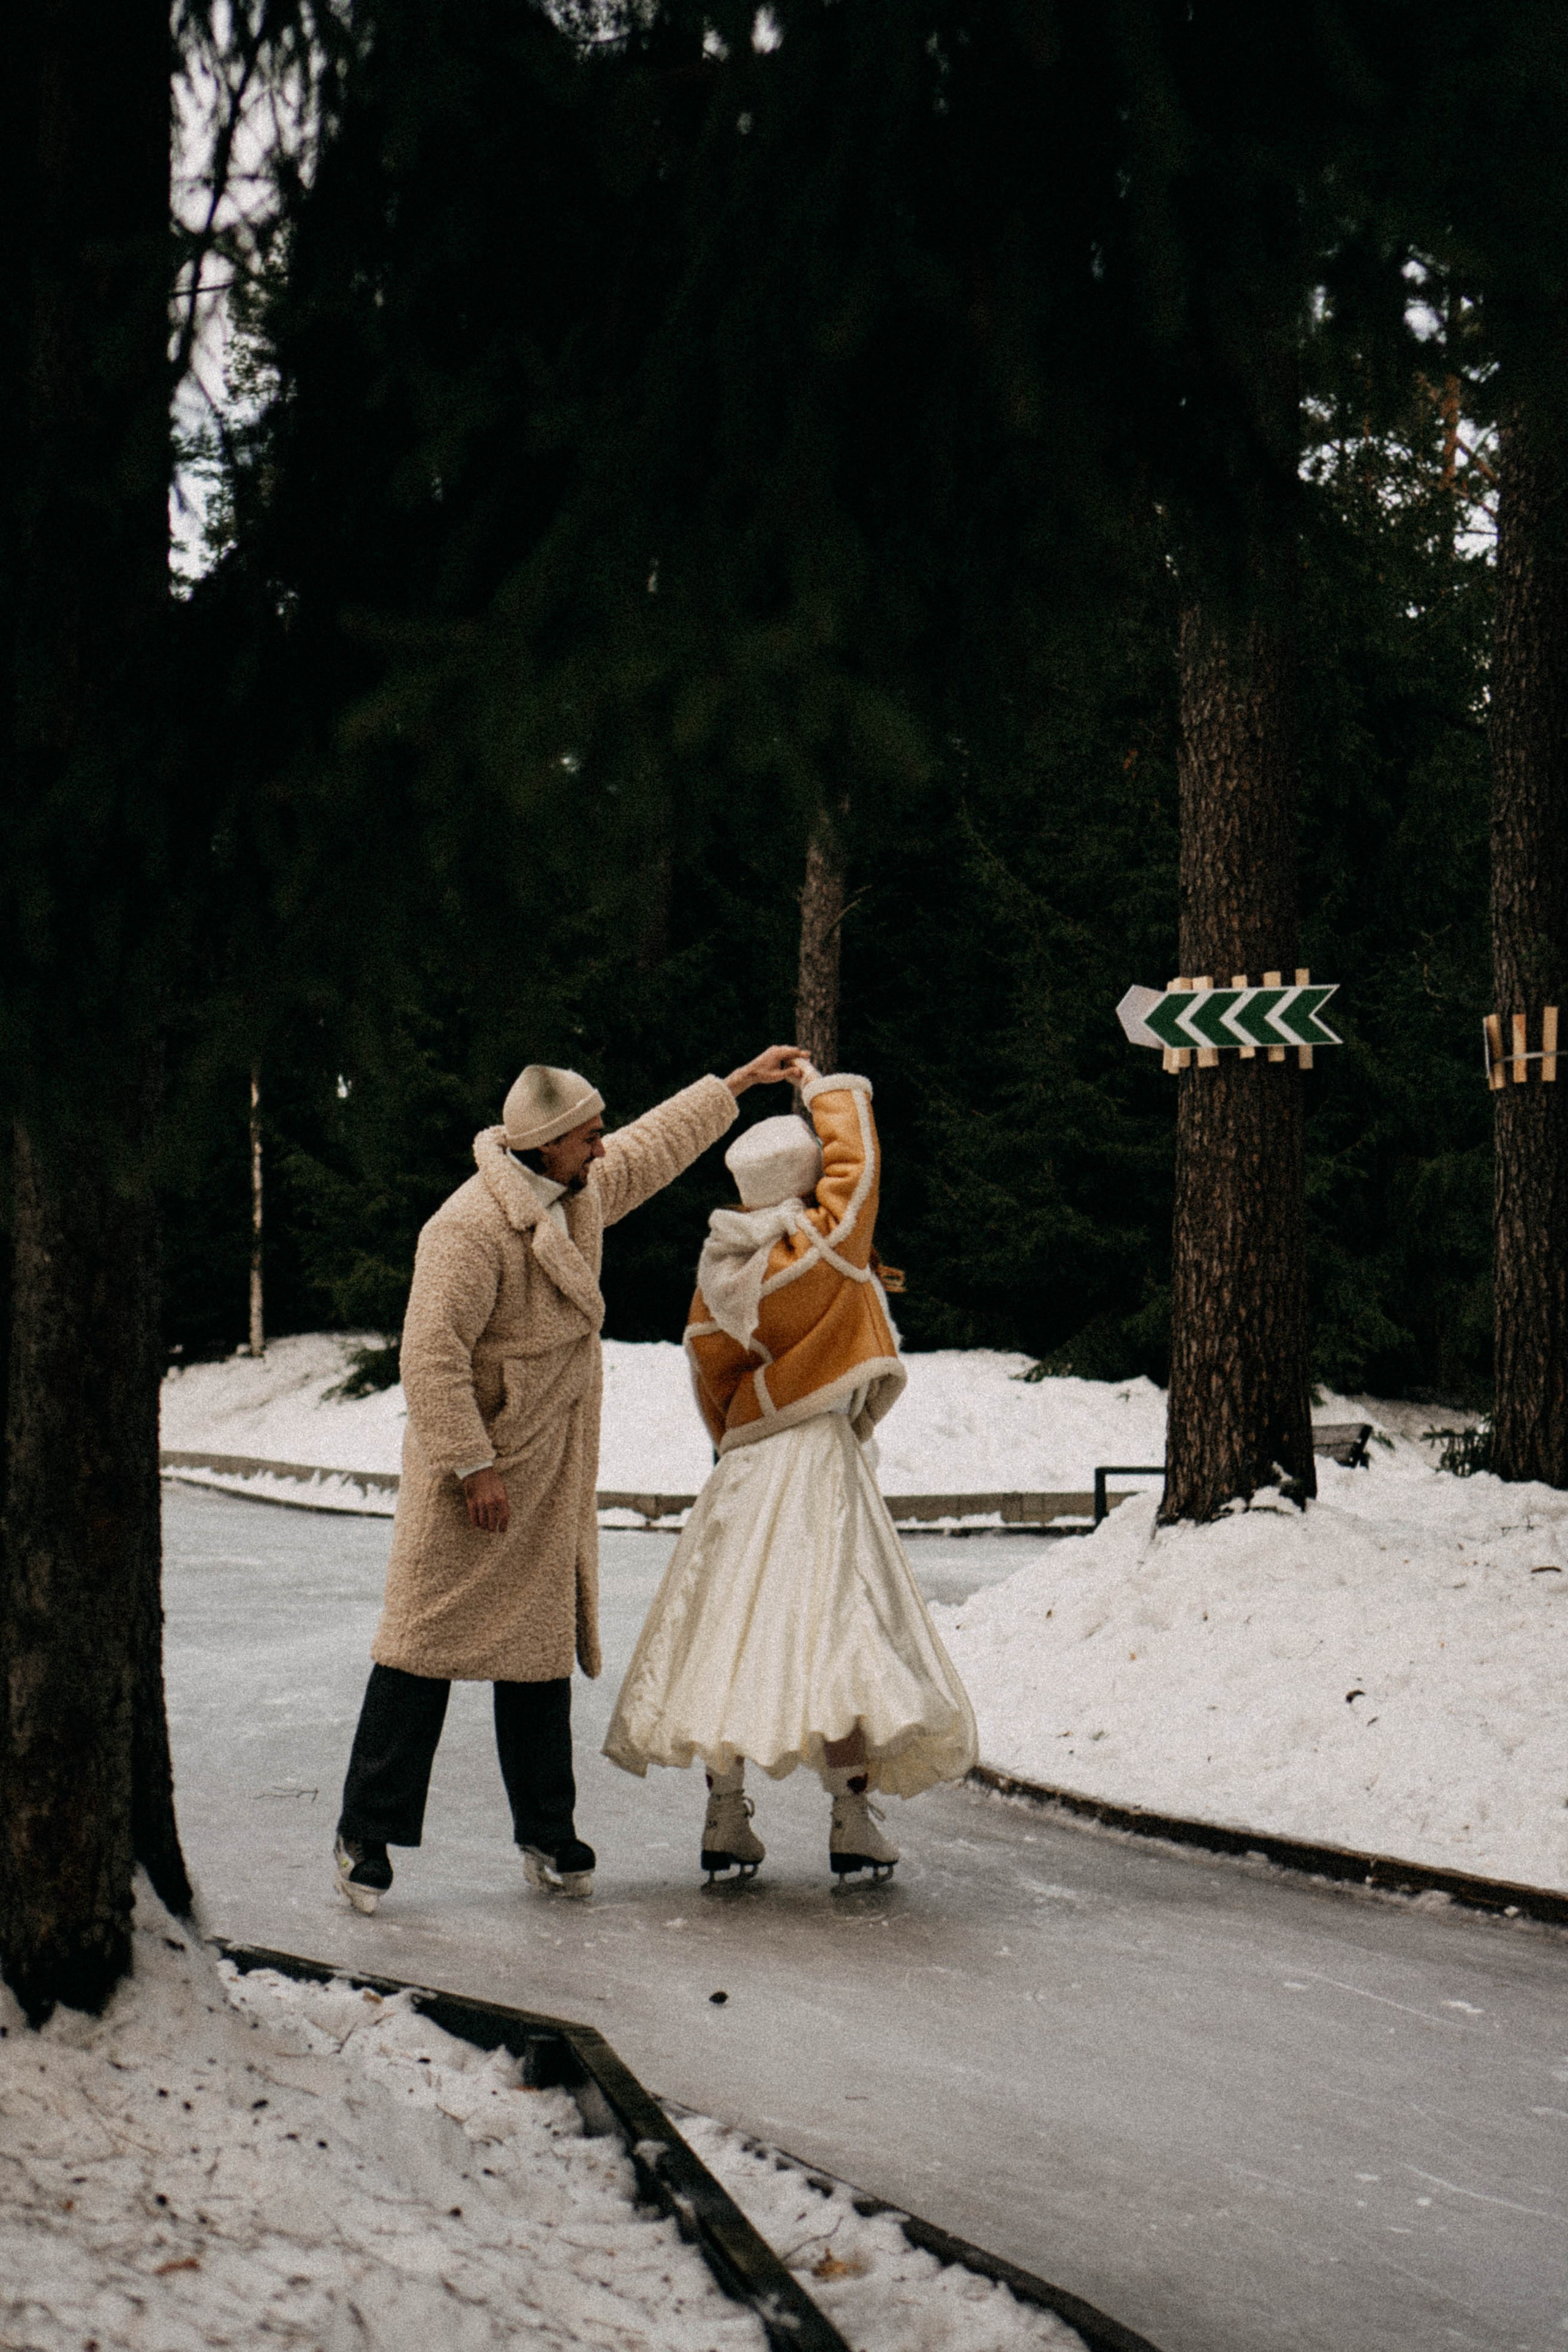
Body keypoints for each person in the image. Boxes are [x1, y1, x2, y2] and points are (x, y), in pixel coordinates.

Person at [332, 1044, 803, 1913]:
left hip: (548, 1465)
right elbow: (430, 1359)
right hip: (470, 1474)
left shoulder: (579, 1195)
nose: (601, 1147)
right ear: (545, 1145)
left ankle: (547, 1833)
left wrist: (738, 1084)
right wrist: (473, 1463)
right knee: (421, 1650)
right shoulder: (468, 1229)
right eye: (587, 1137)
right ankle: (367, 1832)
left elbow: (655, 1145)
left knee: (537, 1656)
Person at [603, 1063, 978, 1882]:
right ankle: (850, 1819)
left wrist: (739, 1437)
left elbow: (709, 1374)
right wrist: (824, 1088)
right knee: (836, 1633)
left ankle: (725, 1818)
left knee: (728, 1636)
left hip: (745, 1466)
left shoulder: (720, 1268)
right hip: (817, 1463)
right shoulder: (822, 1248)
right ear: (804, 1180)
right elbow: (862, 1168)